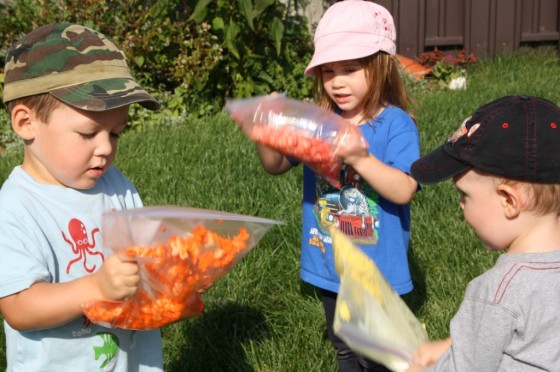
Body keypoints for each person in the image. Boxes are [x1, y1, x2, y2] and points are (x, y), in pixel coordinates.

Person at [255, 1, 420, 370]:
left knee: (380, 356)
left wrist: (360, 159)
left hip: (376, 268)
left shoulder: (395, 124)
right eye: (328, 71)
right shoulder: (321, 122)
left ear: (380, 65)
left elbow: (404, 188)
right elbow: (276, 165)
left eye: (350, 69)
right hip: (330, 261)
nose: (336, 81)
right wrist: (264, 131)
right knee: (344, 346)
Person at [0, 23, 163, 370]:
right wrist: (96, 287)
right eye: (88, 133)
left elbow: (145, 258)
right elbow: (18, 306)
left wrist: (173, 277)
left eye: (116, 133)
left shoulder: (117, 187)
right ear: (26, 122)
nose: (105, 148)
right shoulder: (16, 207)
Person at [407, 95, 560, 371]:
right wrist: (454, 345)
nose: (460, 204)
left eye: (464, 195)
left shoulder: (497, 293)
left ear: (509, 201)